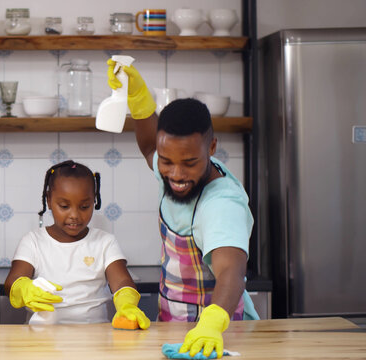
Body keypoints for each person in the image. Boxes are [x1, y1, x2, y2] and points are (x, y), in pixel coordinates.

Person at [106, 59, 260, 358]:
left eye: (189, 163)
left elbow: (231, 270)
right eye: (167, 161)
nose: (176, 174)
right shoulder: (173, 166)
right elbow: (151, 145)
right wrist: (138, 100)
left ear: (211, 147)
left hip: (218, 335)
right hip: (174, 324)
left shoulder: (221, 204)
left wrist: (212, 324)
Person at [5, 160, 150, 329]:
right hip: (42, 337)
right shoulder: (33, 241)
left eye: (84, 206)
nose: (74, 215)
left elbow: (121, 281)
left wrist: (127, 303)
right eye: (64, 206)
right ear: (49, 199)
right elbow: (12, 281)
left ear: (94, 201)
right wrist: (23, 288)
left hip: (95, 335)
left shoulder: (105, 242)